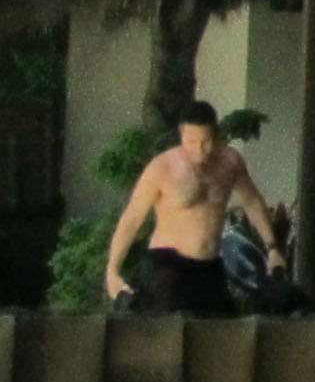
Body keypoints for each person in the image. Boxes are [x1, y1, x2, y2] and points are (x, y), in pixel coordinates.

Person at [103, 101, 281, 318]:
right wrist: (112, 271)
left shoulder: (231, 162)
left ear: (215, 134)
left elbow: (252, 201)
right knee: (167, 328)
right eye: (191, 141)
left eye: (205, 142)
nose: (199, 150)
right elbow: (132, 218)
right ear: (181, 135)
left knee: (221, 329)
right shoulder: (162, 167)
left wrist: (272, 247)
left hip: (209, 266)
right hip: (167, 263)